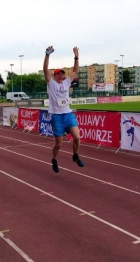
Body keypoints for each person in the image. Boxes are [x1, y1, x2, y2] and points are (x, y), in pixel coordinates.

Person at [43, 45, 84, 173]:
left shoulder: (67, 82)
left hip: (68, 114)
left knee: (77, 137)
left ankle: (75, 155)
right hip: (57, 116)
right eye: (58, 74)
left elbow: (75, 70)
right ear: (54, 76)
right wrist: (47, 55)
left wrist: (76, 56)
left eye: (62, 74)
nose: (61, 76)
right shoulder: (51, 83)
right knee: (59, 143)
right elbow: (45, 70)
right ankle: (54, 159)